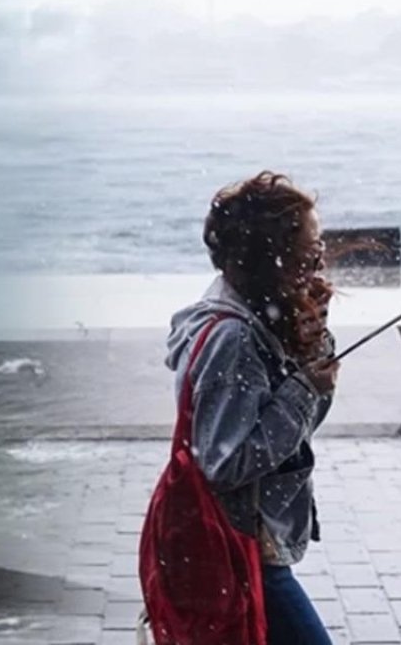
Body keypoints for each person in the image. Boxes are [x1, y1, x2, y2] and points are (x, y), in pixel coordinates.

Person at [139, 171, 337, 645]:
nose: (321, 261)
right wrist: (303, 388)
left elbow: (299, 431)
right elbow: (225, 462)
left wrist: (311, 346)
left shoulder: (255, 315)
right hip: (239, 545)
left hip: (244, 543)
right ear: (274, 258)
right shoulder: (235, 338)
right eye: (310, 252)